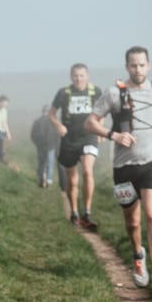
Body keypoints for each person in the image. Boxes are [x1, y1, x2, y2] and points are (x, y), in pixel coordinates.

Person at [86, 47, 152, 290]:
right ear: (127, 67)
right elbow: (90, 123)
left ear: (149, 65)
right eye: (133, 65)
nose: (138, 69)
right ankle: (138, 255)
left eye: (142, 65)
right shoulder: (114, 93)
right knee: (133, 222)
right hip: (123, 166)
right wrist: (114, 135)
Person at [48, 63, 100, 229]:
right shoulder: (63, 93)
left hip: (89, 137)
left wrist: (100, 129)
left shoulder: (95, 91)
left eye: (81, 75)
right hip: (69, 139)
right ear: (71, 77)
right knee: (72, 179)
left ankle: (87, 212)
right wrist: (58, 125)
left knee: (87, 170)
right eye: (75, 76)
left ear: (87, 76)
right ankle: (74, 212)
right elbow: (51, 113)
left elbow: (102, 111)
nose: (78, 79)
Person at [30, 104, 57, 188]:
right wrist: (55, 144)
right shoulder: (54, 121)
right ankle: (48, 180)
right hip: (50, 145)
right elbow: (57, 134)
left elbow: (32, 135)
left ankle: (41, 178)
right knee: (50, 163)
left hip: (40, 145)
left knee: (41, 162)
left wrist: (36, 143)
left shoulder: (37, 121)